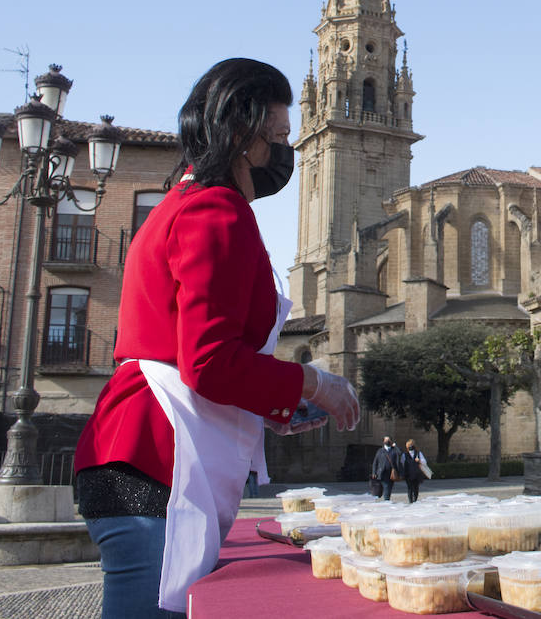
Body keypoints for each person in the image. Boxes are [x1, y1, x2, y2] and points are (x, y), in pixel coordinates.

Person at [73, 58, 360, 618]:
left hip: (134, 455)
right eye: (278, 136)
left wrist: (280, 402)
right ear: (238, 133)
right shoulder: (215, 210)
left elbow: (196, 357)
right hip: (149, 462)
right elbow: (209, 362)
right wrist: (313, 381)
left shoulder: (183, 202)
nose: (285, 152)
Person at [402, 439, 429, 503]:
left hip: (417, 474)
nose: (411, 446)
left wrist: (419, 461)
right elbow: (402, 463)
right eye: (409, 445)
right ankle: (410, 500)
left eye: (412, 445)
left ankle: (415, 500)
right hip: (408, 474)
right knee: (410, 488)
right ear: (407, 447)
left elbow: (424, 462)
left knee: (416, 488)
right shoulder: (405, 455)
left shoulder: (418, 453)